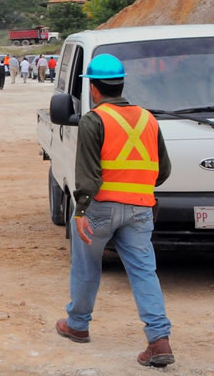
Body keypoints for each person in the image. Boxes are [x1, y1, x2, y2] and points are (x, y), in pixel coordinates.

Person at [55, 54, 174, 368]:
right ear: (121, 83)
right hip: (140, 211)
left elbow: (88, 174)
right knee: (144, 273)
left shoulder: (94, 119)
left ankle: (78, 325)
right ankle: (159, 340)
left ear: (94, 88)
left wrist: (79, 212)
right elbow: (163, 171)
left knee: (86, 268)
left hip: (99, 210)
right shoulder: (148, 118)